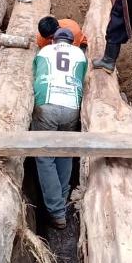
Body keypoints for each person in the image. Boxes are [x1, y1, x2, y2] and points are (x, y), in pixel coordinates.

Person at [31, 27, 88, 229]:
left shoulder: (44, 51)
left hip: (47, 105)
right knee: (65, 153)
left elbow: (35, 77)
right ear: (72, 42)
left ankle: (56, 212)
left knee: (45, 156)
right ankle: (62, 200)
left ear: (53, 40)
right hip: (71, 108)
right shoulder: (80, 54)